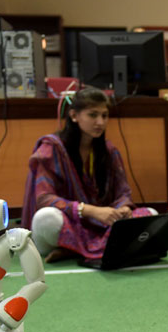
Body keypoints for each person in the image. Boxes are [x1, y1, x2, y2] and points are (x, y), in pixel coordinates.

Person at [21, 87, 154, 262]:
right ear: (74, 116)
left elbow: (123, 193)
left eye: (104, 116)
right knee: (45, 218)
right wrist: (89, 211)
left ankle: (73, 250)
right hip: (69, 223)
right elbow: (44, 199)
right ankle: (91, 247)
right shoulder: (52, 148)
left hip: (102, 224)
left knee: (150, 214)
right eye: (93, 115)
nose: (100, 122)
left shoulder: (108, 151)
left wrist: (123, 209)